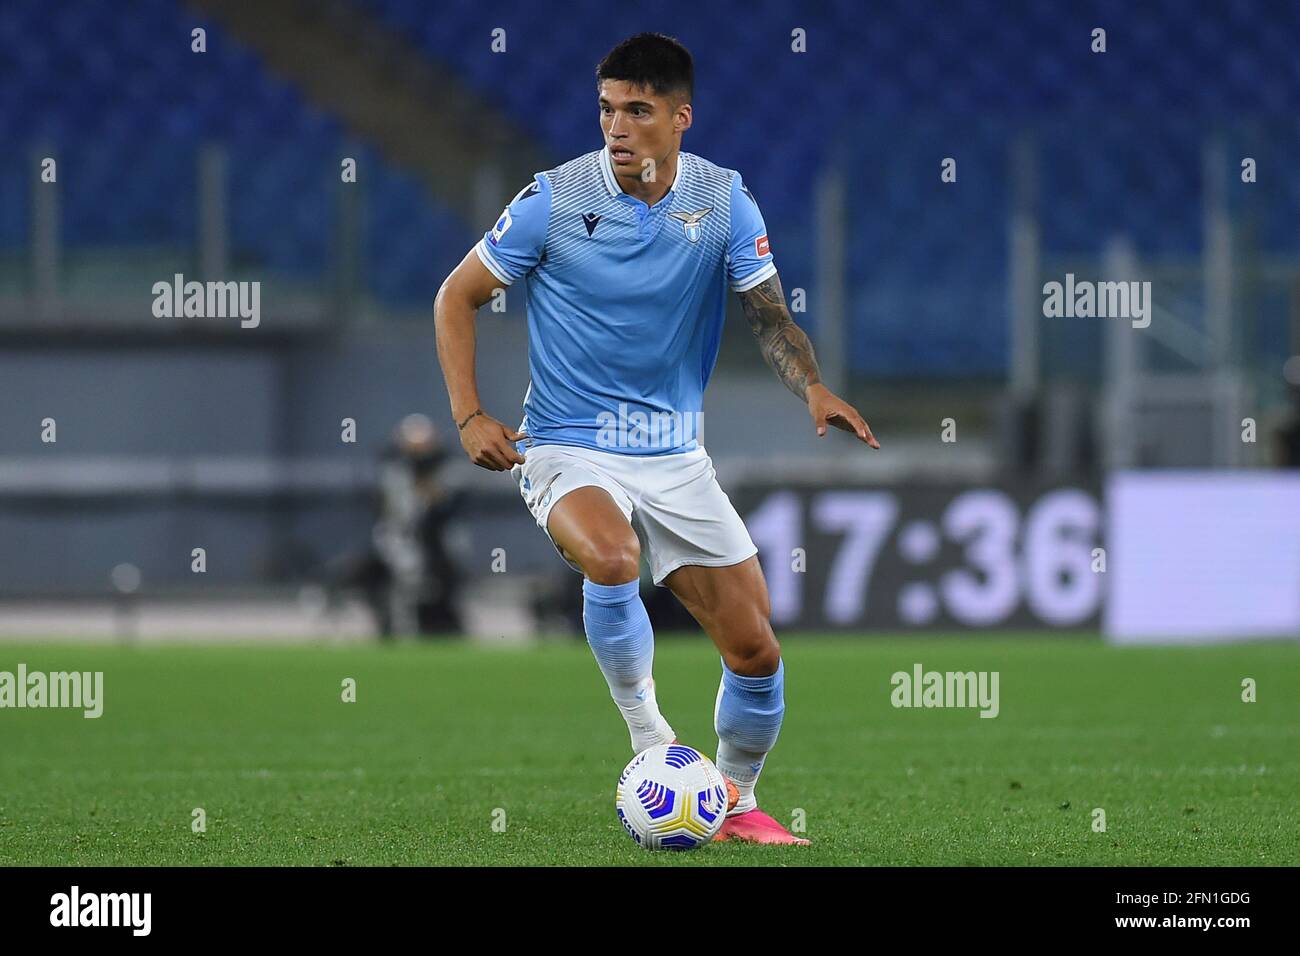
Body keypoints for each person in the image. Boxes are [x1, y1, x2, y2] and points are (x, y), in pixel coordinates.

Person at [434, 33, 877, 844]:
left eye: (637, 110)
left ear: (680, 118)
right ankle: (653, 745)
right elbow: (455, 297)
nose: (618, 126)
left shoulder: (724, 200)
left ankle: (736, 802)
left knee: (756, 652)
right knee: (610, 558)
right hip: (567, 445)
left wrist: (811, 385)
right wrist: (470, 415)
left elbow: (769, 315)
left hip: (674, 456)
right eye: (607, 108)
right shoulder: (553, 201)